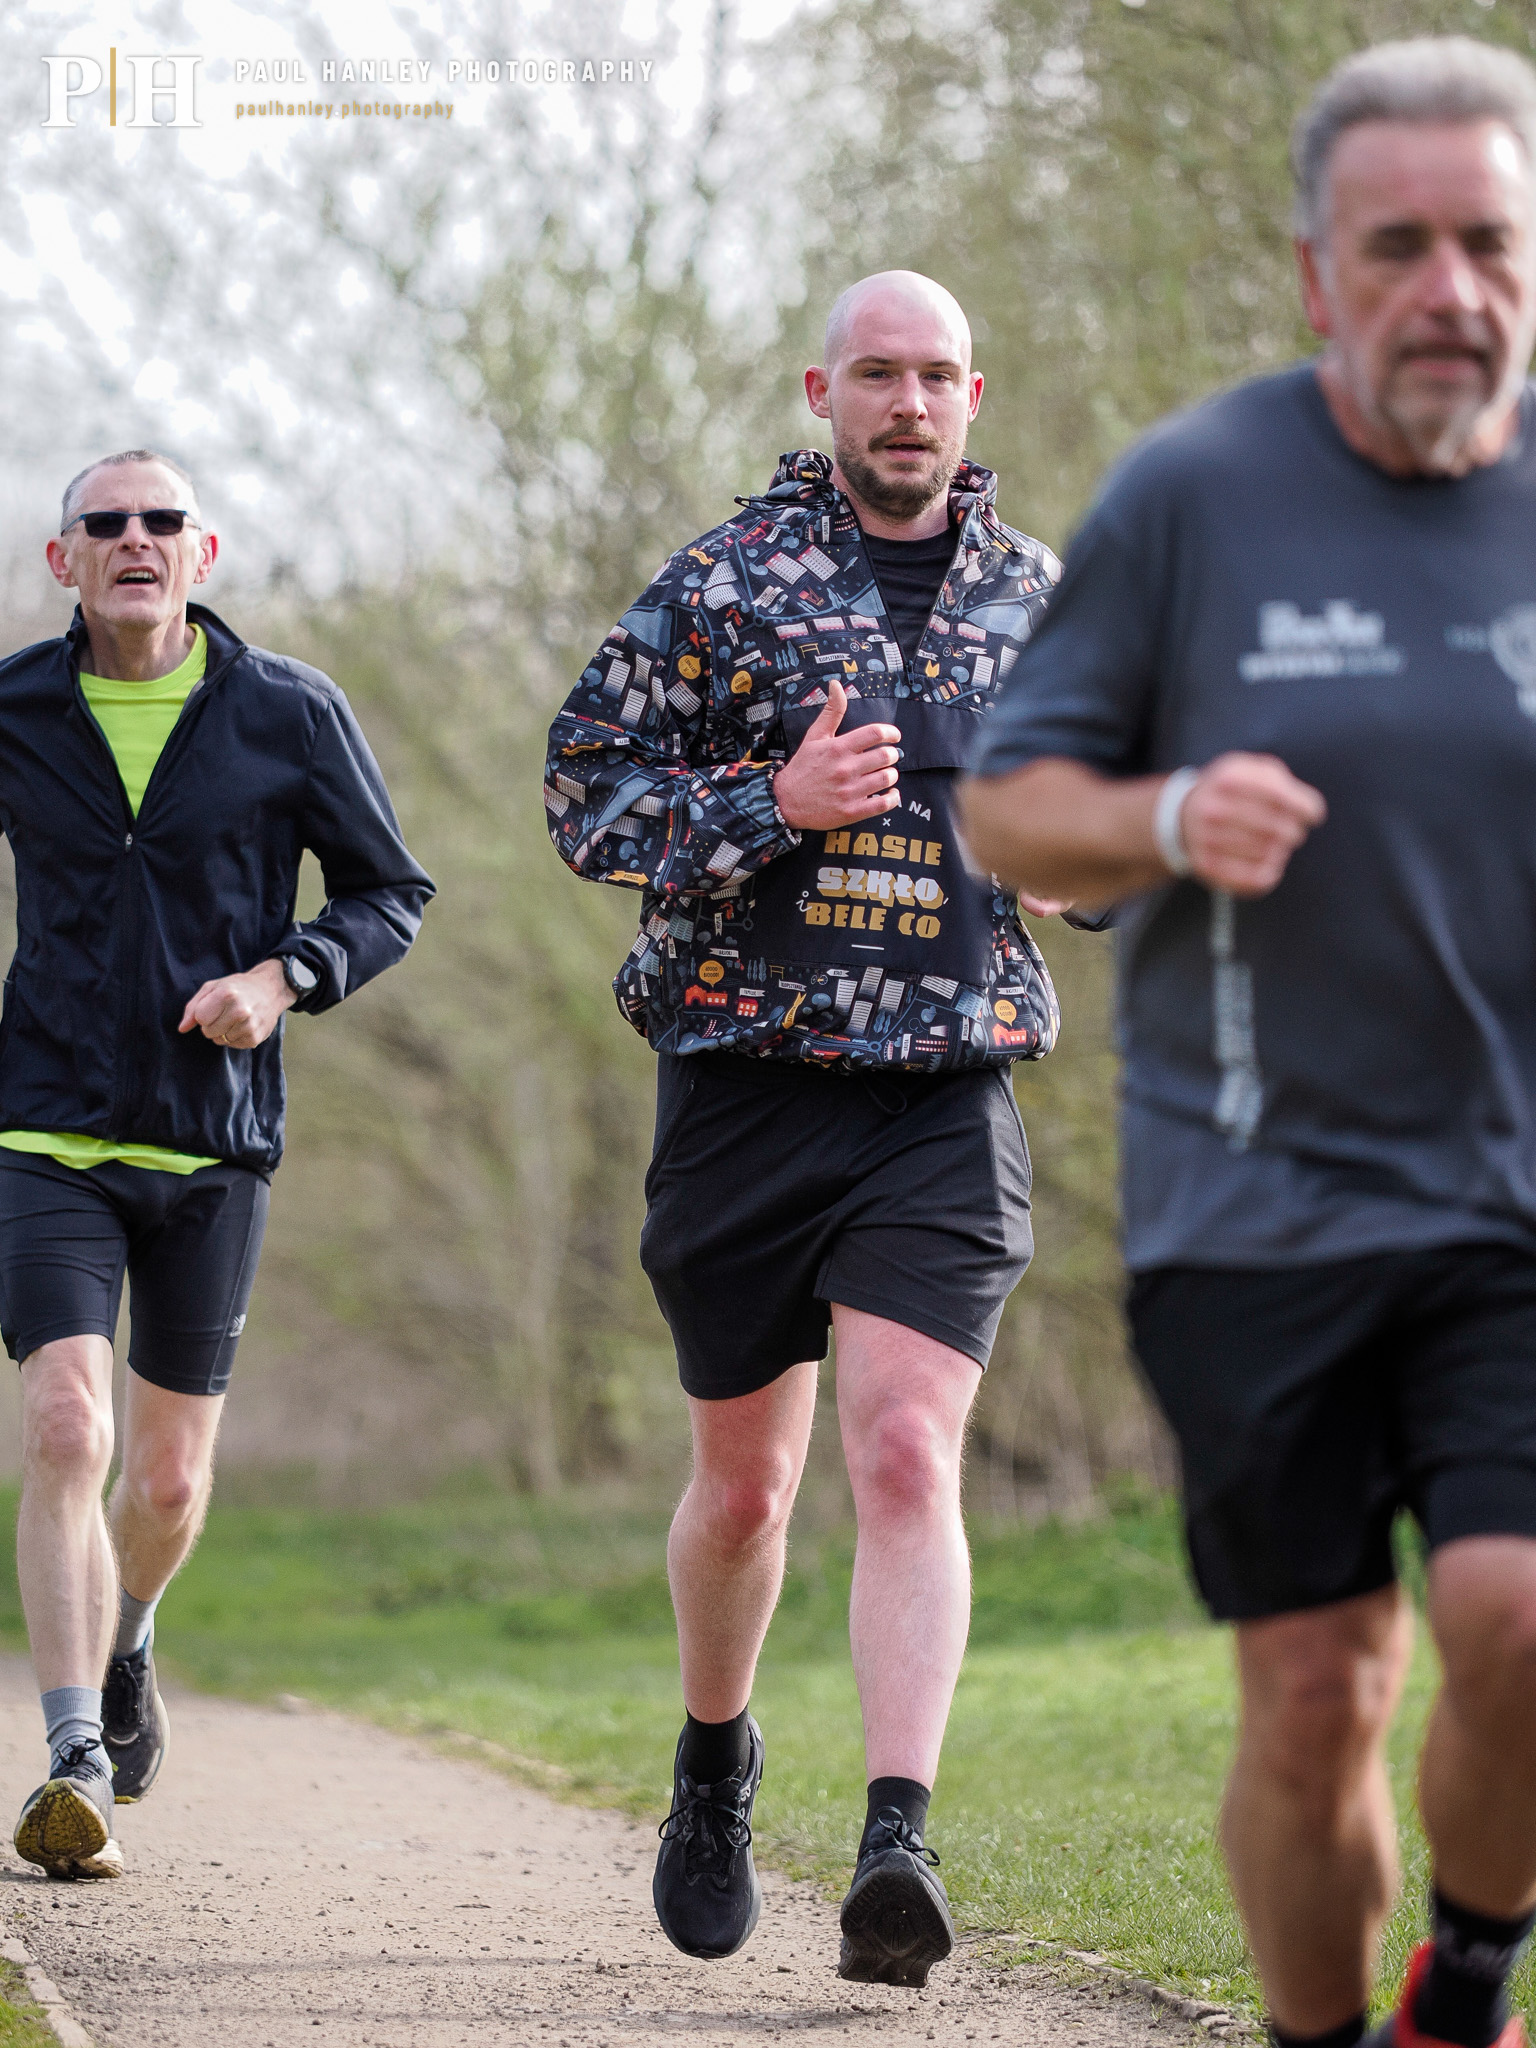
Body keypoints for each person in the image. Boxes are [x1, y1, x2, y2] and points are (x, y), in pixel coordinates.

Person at [959, 35, 1536, 2048]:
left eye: (1490, 243)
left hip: (1516, 1195)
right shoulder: (1198, 496)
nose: (1449, 289)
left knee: (1519, 1614)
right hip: (1256, 1198)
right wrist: (1171, 812)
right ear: (1315, 274)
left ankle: (1465, 1983)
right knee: (1316, 1689)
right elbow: (1006, 811)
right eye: (1399, 247)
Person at [546, 271, 1069, 1985]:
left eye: (937, 376)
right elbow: (583, 794)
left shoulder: (1041, 598)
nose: (908, 403)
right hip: (746, 1088)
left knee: (908, 1450)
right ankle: (715, 1762)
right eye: (878, 374)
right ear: (821, 390)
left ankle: (896, 1842)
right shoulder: (722, 583)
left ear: (973, 396)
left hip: (944, 1093)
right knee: (746, 1492)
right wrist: (770, 802)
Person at [3, 450, 433, 1879]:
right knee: (68, 1425)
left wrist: (285, 975)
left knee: (171, 1483)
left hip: (213, 1139)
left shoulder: (287, 711)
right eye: (106, 523)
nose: (136, 539)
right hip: (45, 1130)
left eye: (163, 521)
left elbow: (390, 893)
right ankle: (72, 1754)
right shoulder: (16, 709)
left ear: (205, 553)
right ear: (66, 560)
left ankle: (128, 1640)